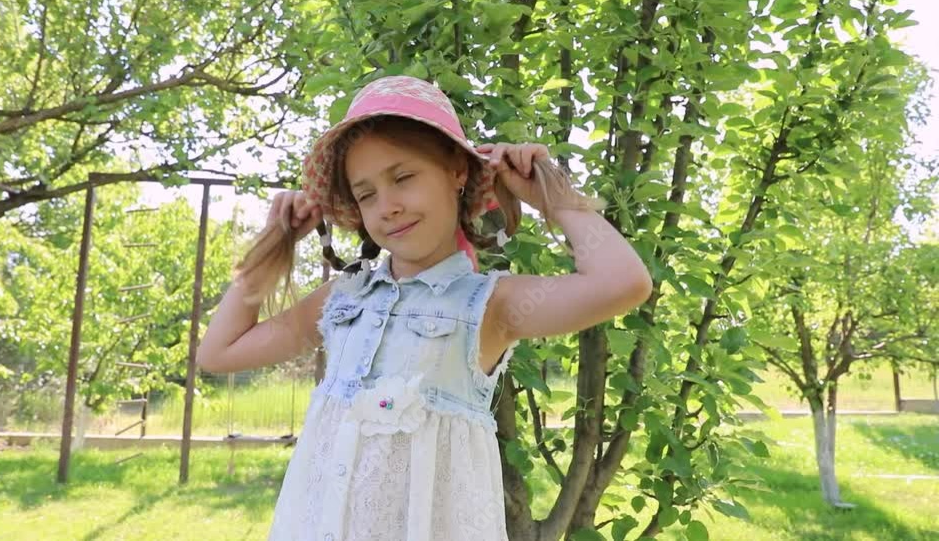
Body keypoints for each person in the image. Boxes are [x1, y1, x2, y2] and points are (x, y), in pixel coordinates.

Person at [197, 75, 653, 541]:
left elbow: (624, 283)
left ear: (457, 171)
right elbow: (219, 352)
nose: (387, 207)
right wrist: (276, 241)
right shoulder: (343, 298)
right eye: (366, 194)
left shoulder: (488, 305)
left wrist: (548, 195)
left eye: (403, 178)